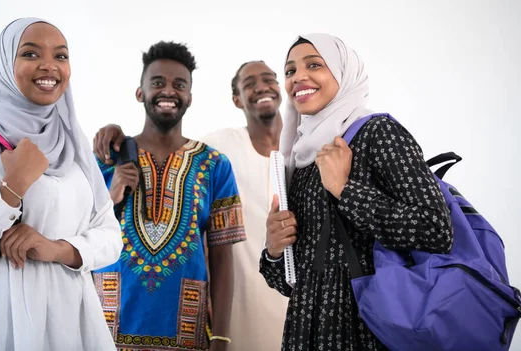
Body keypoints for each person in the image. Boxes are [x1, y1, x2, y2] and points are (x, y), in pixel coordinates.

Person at [0, 18, 122, 351]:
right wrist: (9, 190)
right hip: (2, 322)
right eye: (30, 54)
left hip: (74, 322)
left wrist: (57, 248)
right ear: (4, 64)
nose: (49, 66)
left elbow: (111, 237)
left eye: (61, 56)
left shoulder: (72, 141)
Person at [260, 34, 454, 350]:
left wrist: (344, 190)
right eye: (290, 71)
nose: (299, 77)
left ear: (344, 72)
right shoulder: (301, 156)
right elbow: (292, 282)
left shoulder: (377, 133)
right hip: (308, 330)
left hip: (368, 327)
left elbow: (436, 229)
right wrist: (274, 250)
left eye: (314, 65)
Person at [92, 41, 246, 351]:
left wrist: (221, 336)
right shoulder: (105, 158)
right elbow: (79, 237)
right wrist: (112, 195)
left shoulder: (215, 164)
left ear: (189, 96)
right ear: (140, 92)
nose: (168, 91)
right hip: (106, 330)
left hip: (187, 335)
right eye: (157, 82)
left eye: (179, 85)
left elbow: (222, 258)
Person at [198, 61, 289, 351]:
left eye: (268, 79)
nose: (261, 87)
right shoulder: (218, 147)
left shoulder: (306, 146)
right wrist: (119, 141)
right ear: (237, 99)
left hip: (297, 302)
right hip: (239, 304)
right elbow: (166, 146)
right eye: (249, 84)